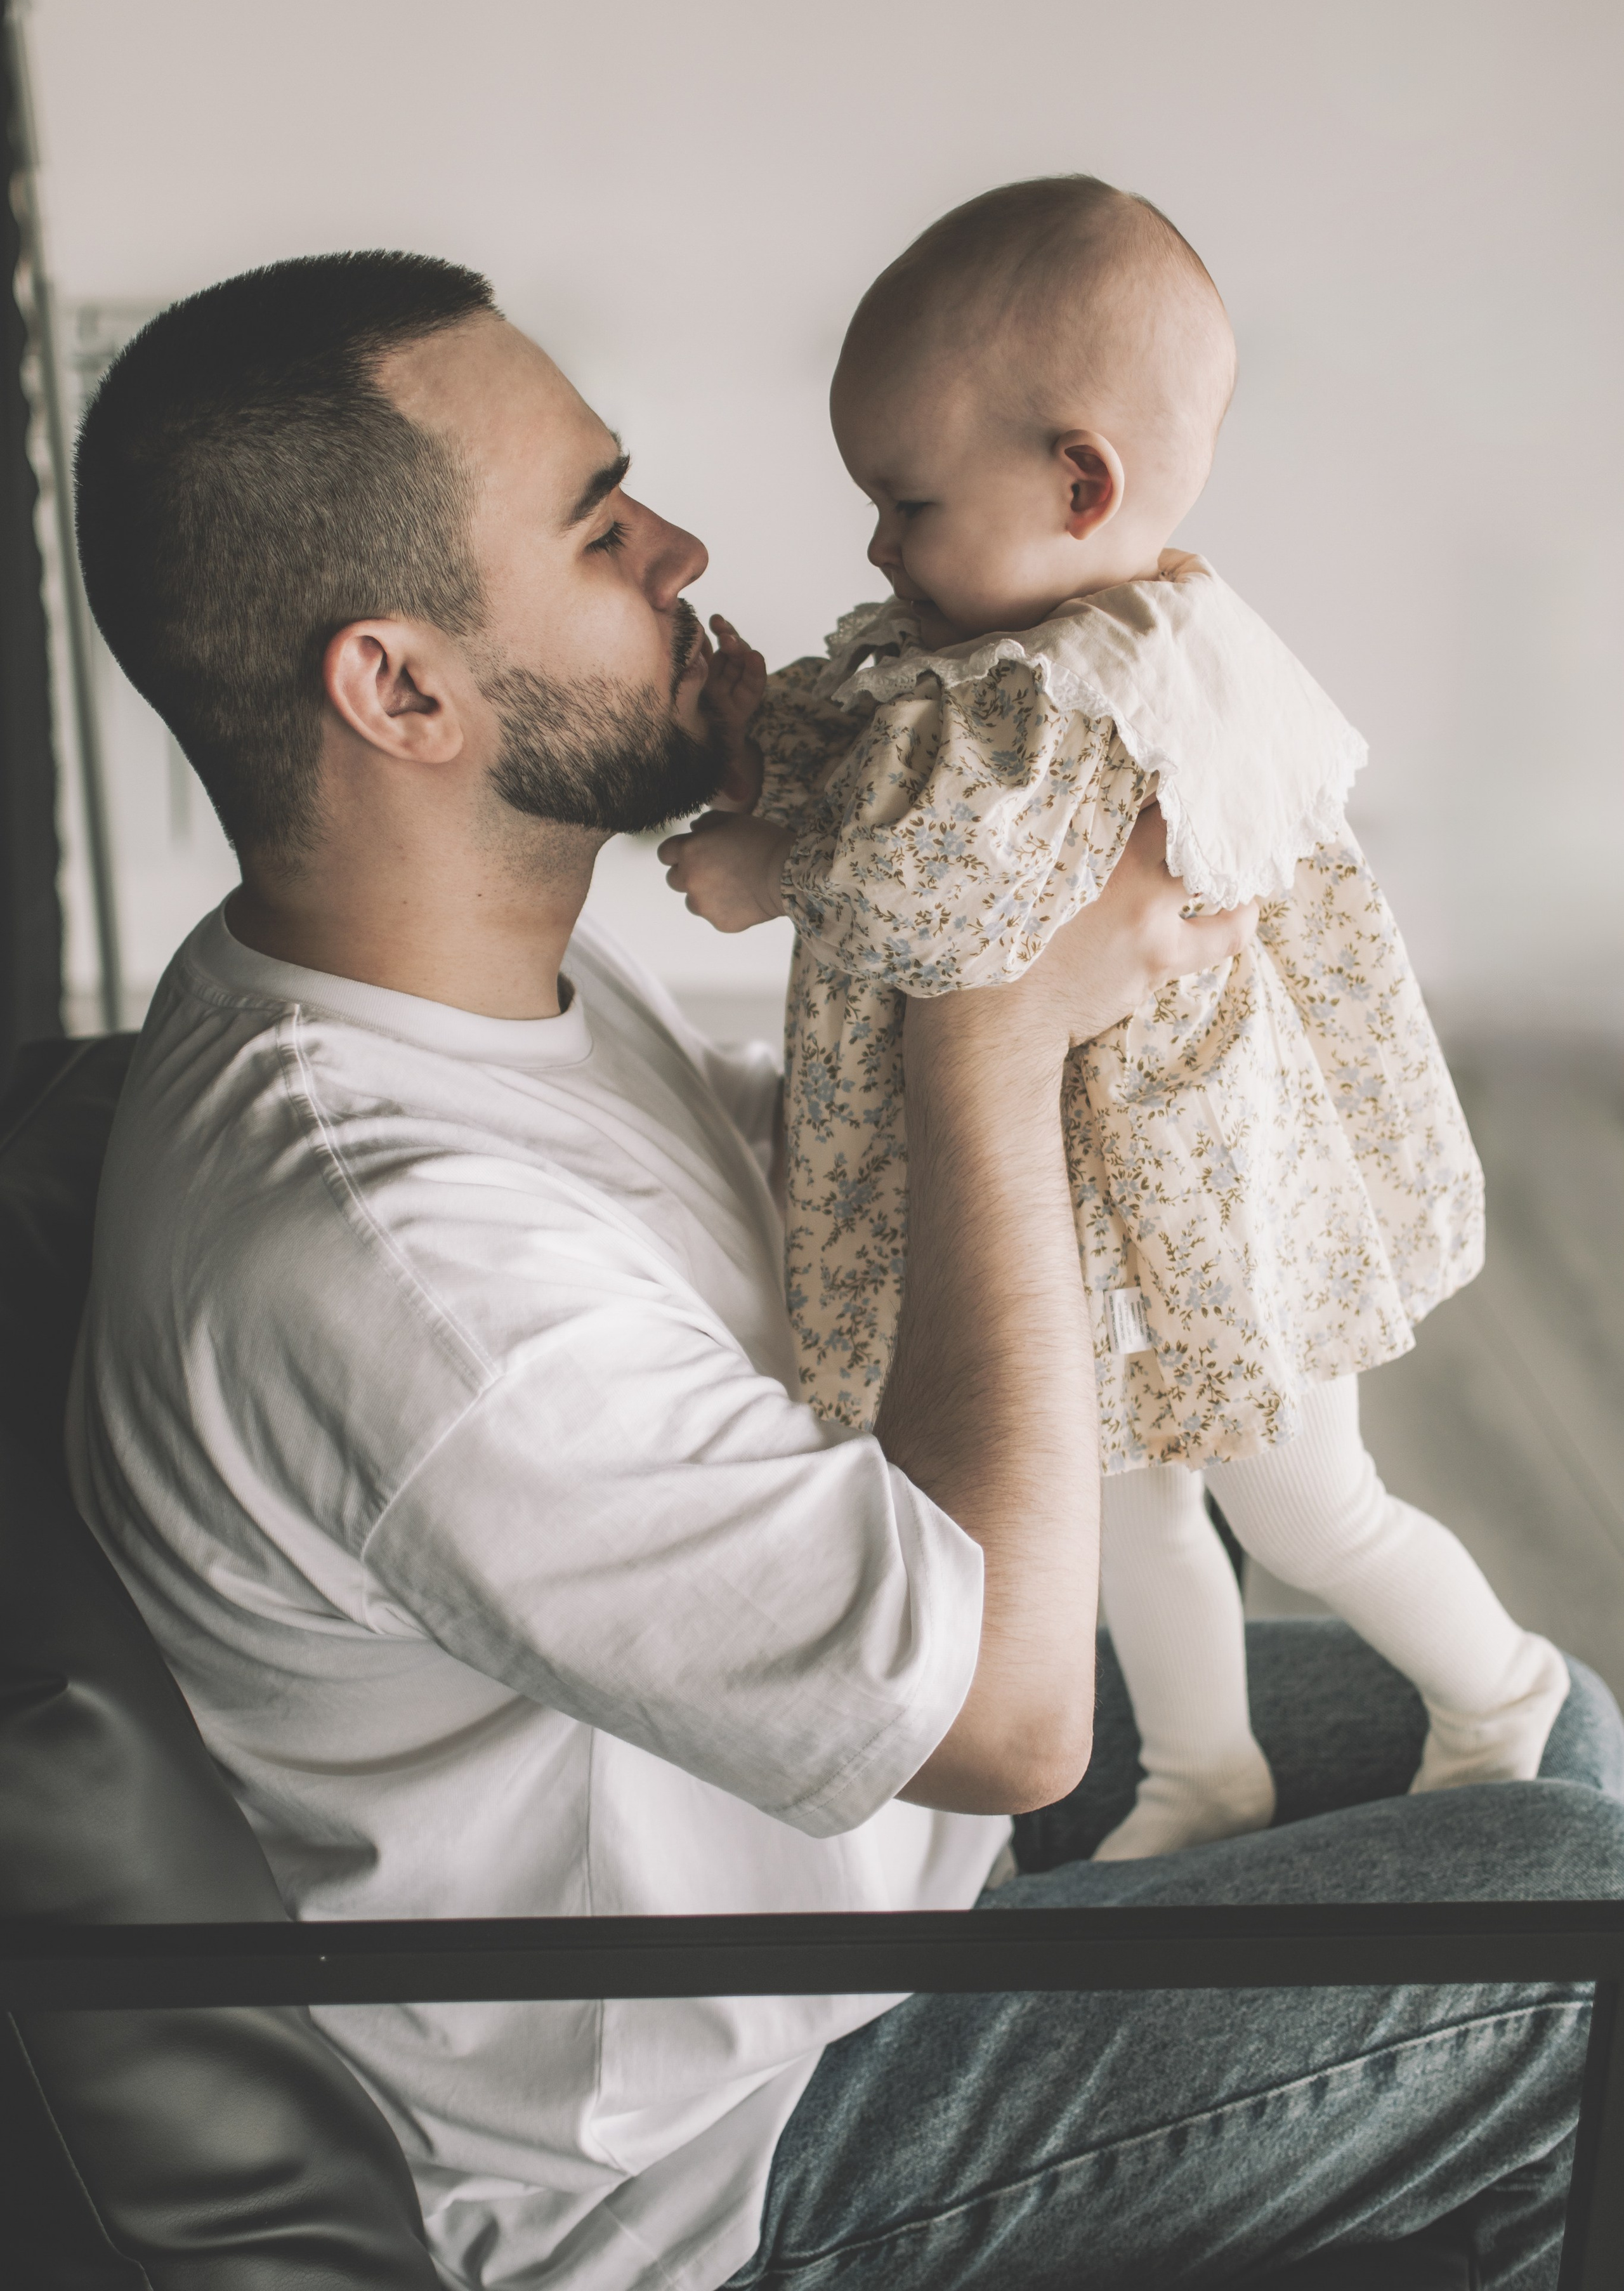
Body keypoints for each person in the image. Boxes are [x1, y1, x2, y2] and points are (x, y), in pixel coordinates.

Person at [65, 250, 1624, 2291]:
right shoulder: (391, 1261)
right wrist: (997, 1017)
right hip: (711, 2147)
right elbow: (1011, 1723)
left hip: (838, 1875)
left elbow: (785, 1201)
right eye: (601, 523)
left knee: (1547, 1729)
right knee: (1575, 1931)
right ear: (402, 686)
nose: (686, 550)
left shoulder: (419, 990)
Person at [658, 176, 1567, 1866]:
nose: (876, 547)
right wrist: (753, 749)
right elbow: (878, 754)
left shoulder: (1090, 692)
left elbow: (955, 893)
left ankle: (1504, 1690)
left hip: (1208, 1214)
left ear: (1080, 481)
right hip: (1092, 1216)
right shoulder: (1004, 652)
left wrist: (772, 864)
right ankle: (1202, 1771)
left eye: (905, 502)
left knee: (1304, 1503)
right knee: (1120, 1510)